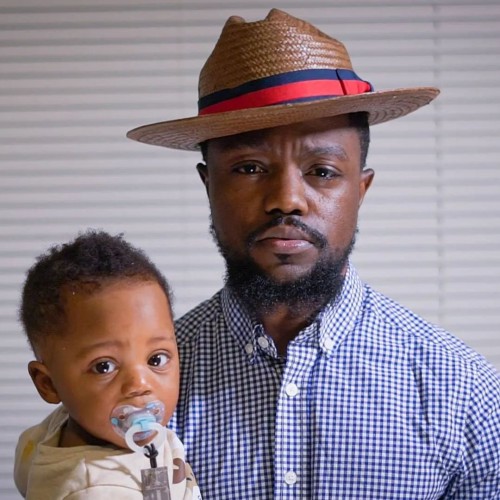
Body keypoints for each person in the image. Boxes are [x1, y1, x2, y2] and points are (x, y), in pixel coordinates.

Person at [126, 7, 500, 499]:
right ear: (208, 185)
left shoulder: (463, 391)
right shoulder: (133, 395)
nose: (287, 198)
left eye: (322, 171)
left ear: (360, 191)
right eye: (249, 168)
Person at [14, 230, 202, 499]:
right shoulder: (95, 490)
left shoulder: (54, 430)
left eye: (156, 359)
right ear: (48, 383)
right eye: (104, 367)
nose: (140, 384)